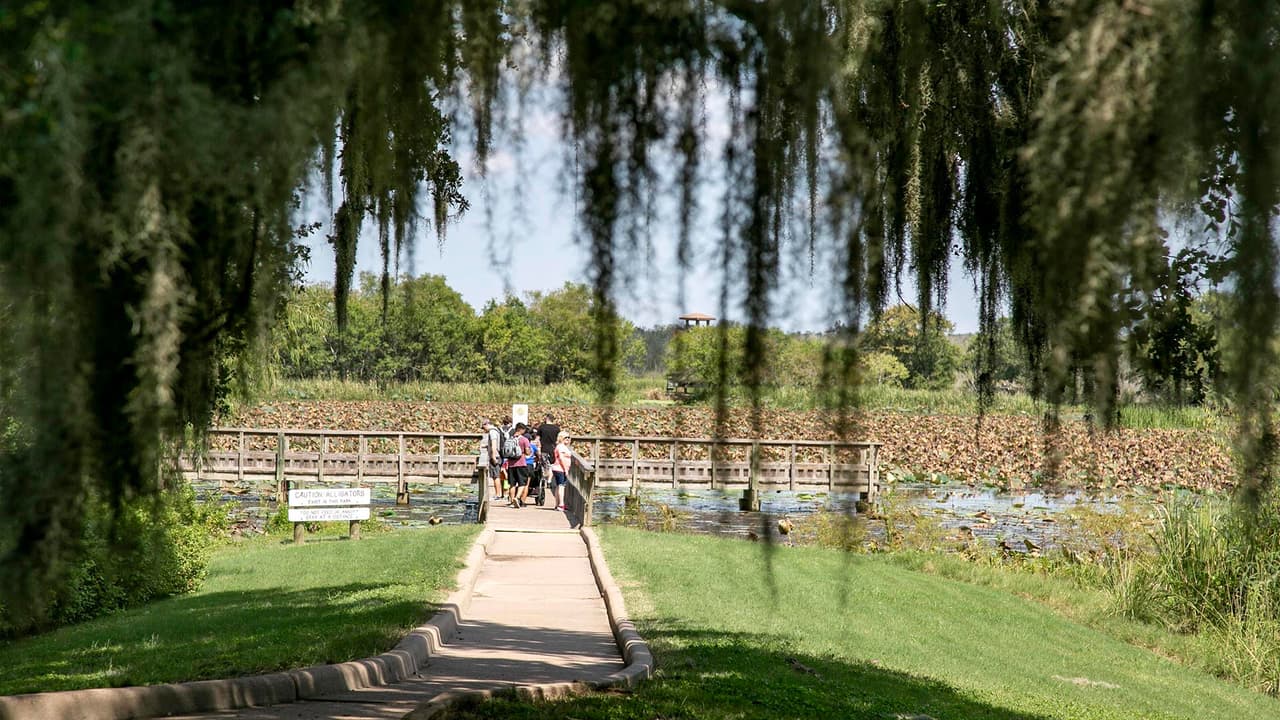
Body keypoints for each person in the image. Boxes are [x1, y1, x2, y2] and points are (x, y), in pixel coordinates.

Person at [506, 423, 533, 508]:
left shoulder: (510, 438)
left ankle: (511, 501)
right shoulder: (524, 440)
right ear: (521, 430)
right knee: (522, 483)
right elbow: (528, 452)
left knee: (512, 484)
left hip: (510, 464)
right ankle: (517, 498)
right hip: (521, 463)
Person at [479, 418, 503, 501]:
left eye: (483, 427)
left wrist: (493, 456)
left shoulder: (492, 432)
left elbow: (494, 445)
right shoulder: (496, 431)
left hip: (495, 456)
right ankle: (499, 494)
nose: (484, 430)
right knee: (496, 475)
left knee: (495, 476)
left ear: (486, 424)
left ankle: (498, 495)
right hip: (496, 455)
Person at [552, 433, 574, 511]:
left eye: (568, 437)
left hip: (560, 469)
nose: (567, 439)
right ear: (561, 438)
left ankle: (557, 504)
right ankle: (561, 504)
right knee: (561, 486)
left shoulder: (564, 447)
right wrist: (565, 469)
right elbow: (561, 458)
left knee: (559, 486)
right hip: (560, 468)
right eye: (565, 437)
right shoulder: (560, 447)